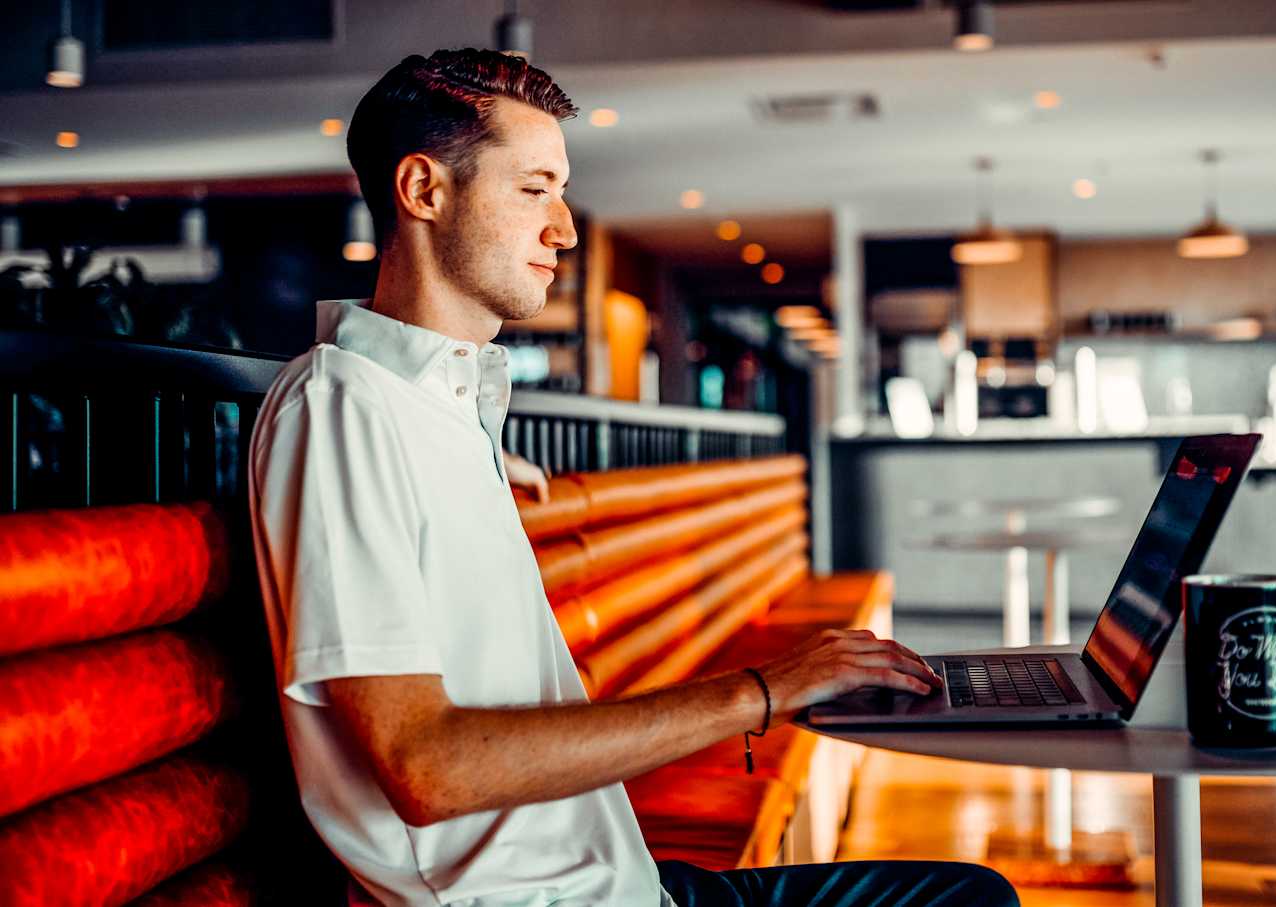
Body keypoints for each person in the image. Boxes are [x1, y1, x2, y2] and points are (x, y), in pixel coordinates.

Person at [247, 48, 1017, 907]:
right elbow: (425, 767)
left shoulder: (436, 407)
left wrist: (483, 452)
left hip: (624, 880)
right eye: (534, 189)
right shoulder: (343, 406)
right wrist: (765, 690)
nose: (566, 228)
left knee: (971, 891)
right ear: (424, 191)